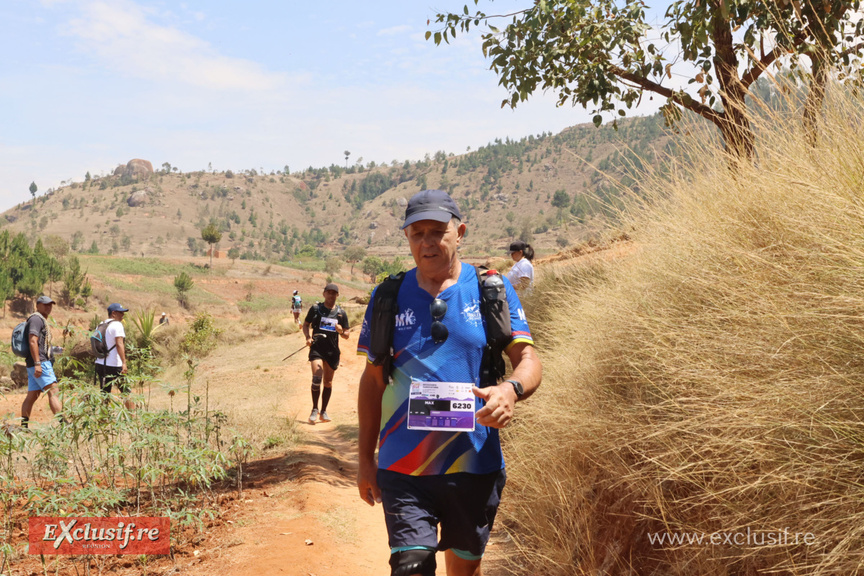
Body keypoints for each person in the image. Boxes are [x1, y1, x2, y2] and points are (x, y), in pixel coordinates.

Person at [356, 189, 542, 576]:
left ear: (460, 232)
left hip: (474, 466)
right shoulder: (388, 296)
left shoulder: (492, 289)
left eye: (437, 231)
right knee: (410, 566)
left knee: (464, 569)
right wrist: (364, 461)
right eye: (416, 233)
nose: (427, 243)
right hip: (404, 469)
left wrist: (511, 390)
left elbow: (527, 360)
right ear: (407, 238)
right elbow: (373, 382)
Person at [302, 283, 350, 424]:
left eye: (334, 293)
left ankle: (324, 411)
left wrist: (341, 331)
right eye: (328, 292)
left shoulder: (341, 313)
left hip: (332, 351)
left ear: (337, 295)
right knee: (317, 377)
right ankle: (314, 409)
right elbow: (306, 324)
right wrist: (308, 337)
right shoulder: (316, 309)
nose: (331, 295)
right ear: (324, 294)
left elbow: (347, 334)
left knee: (328, 382)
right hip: (317, 348)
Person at [20, 295, 62, 428]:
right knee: (54, 391)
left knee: (32, 395)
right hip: (40, 363)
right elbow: (33, 341)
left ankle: (24, 426)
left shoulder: (38, 319)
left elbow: (41, 344)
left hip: (34, 362)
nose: (48, 307)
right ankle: (63, 424)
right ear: (37, 305)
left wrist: (55, 350)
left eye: (50, 305)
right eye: (45, 304)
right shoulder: (36, 319)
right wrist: (38, 363)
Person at [95, 303, 134, 410]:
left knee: (105, 394)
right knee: (126, 392)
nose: (123, 315)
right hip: (114, 364)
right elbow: (119, 344)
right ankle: (134, 416)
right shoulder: (117, 325)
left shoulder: (101, 324)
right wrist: (124, 363)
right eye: (121, 313)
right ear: (113, 313)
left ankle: (103, 419)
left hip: (100, 363)